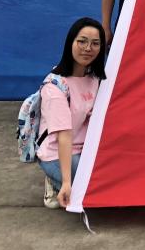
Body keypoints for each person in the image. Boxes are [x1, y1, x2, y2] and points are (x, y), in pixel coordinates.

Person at [37, 17, 106, 210]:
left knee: (111, 179)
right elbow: (64, 137)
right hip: (57, 152)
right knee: (89, 189)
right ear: (70, 43)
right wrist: (67, 182)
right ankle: (55, 180)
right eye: (82, 41)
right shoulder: (55, 87)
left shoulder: (95, 78)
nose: (88, 48)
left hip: (86, 147)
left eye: (95, 43)